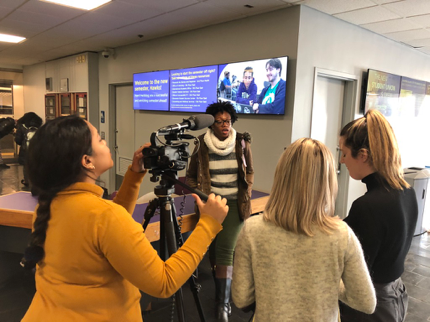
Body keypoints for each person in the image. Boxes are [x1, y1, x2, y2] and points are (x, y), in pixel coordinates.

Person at [20, 115, 229, 322]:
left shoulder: (47, 207)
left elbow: (108, 236)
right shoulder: (105, 216)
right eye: (99, 139)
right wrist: (209, 224)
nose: (105, 140)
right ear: (87, 161)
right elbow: (164, 282)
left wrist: (133, 176)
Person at [232, 138, 376, 321]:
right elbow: (366, 302)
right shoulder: (341, 235)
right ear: (328, 182)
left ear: (281, 176)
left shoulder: (252, 230)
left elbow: (241, 298)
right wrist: (327, 279)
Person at [338, 109, 418, 322]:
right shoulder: (406, 191)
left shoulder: (367, 206)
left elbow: (354, 272)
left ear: (362, 155)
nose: (342, 161)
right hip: (396, 295)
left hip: (372, 305)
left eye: (344, 153)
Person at [186, 101, 254, 321]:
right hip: (211, 203)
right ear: (211, 124)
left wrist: (247, 191)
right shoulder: (201, 144)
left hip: (235, 204)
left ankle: (223, 304)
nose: (225, 125)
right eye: (219, 122)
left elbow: (249, 170)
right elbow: (191, 175)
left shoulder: (242, 142)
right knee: (213, 248)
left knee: (225, 248)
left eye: (228, 121)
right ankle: (220, 291)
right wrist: (200, 197)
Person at [15, 112, 43, 187]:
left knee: (26, 166)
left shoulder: (22, 126)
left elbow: (18, 140)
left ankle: (27, 181)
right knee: (36, 165)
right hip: (37, 150)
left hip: (25, 151)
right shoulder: (39, 125)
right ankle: (37, 181)